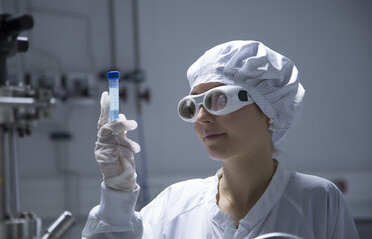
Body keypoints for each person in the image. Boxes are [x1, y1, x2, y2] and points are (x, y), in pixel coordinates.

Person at [82, 40, 360, 239]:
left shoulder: (318, 202)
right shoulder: (175, 206)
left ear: (269, 111)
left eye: (219, 100)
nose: (201, 117)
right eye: (192, 106)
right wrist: (116, 194)